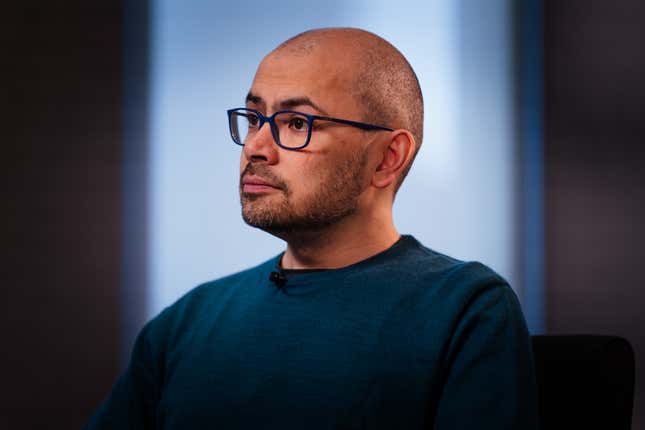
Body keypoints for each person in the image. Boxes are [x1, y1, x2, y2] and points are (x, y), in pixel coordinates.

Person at [85, 28, 538, 429]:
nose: (257, 148)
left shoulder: (465, 308)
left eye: (296, 123)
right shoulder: (186, 321)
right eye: (253, 119)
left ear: (388, 158)